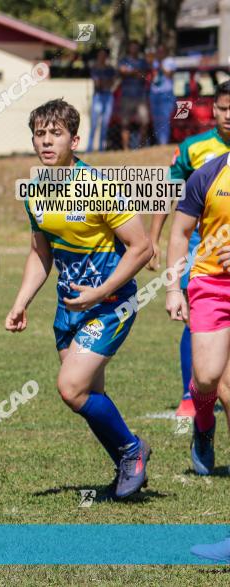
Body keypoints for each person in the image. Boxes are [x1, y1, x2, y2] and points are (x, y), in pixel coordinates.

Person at [5, 99, 153, 499]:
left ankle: (131, 450)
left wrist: (101, 292)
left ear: (75, 139)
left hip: (111, 303)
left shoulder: (100, 187)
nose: (46, 142)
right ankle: (127, 461)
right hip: (69, 306)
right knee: (89, 394)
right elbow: (41, 252)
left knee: (71, 388)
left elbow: (142, 248)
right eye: (40, 134)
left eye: (56, 133)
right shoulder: (36, 192)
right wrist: (21, 301)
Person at [148, 81, 230, 417]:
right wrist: (154, 238)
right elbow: (169, 192)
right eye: (225, 109)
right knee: (196, 331)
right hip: (201, 257)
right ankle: (192, 395)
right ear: (214, 110)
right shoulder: (196, 150)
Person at [166, 150, 230, 476]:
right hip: (211, 285)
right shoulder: (207, 175)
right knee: (206, 378)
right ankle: (204, 426)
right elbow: (179, 233)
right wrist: (174, 288)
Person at [117, 41, 150, 150]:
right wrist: (135, 73)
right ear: (129, 48)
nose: (134, 49)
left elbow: (145, 75)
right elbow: (122, 71)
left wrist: (131, 72)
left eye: (136, 47)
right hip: (126, 96)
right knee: (125, 123)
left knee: (145, 121)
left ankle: (141, 145)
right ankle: (126, 148)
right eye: (132, 47)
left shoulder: (143, 61)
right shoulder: (124, 60)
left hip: (140, 97)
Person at [88, 48, 116, 152]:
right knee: (94, 124)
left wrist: (103, 83)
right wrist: (104, 83)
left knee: (105, 124)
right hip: (98, 96)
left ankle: (101, 148)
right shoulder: (94, 68)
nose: (102, 57)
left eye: (104, 55)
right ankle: (89, 148)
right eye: (100, 55)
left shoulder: (110, 69)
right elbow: (98, 84)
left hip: (107, 96)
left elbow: (110, 83)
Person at [149, 48, 177, 146]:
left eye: (161, 51)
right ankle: (159, 141)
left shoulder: (170, 61)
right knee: (156, 119)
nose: (159, 53)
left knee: (164, 119)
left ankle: (164, 143)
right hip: (154, 93)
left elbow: (169, 75)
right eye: (158, 51)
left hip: (166, 93)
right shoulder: (154, 62)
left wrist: (161, 65)